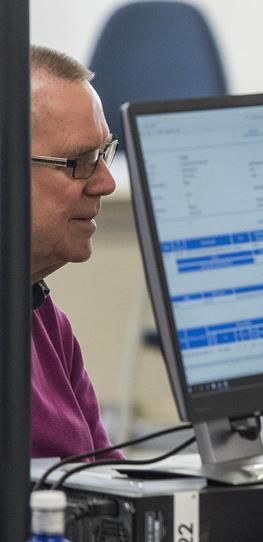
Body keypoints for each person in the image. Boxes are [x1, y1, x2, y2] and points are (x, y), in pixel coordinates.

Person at [28, 45, 120, 459]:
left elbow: (108, 485)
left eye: (103, 153)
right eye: (80, 161)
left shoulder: (43, 318)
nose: (105, 183)